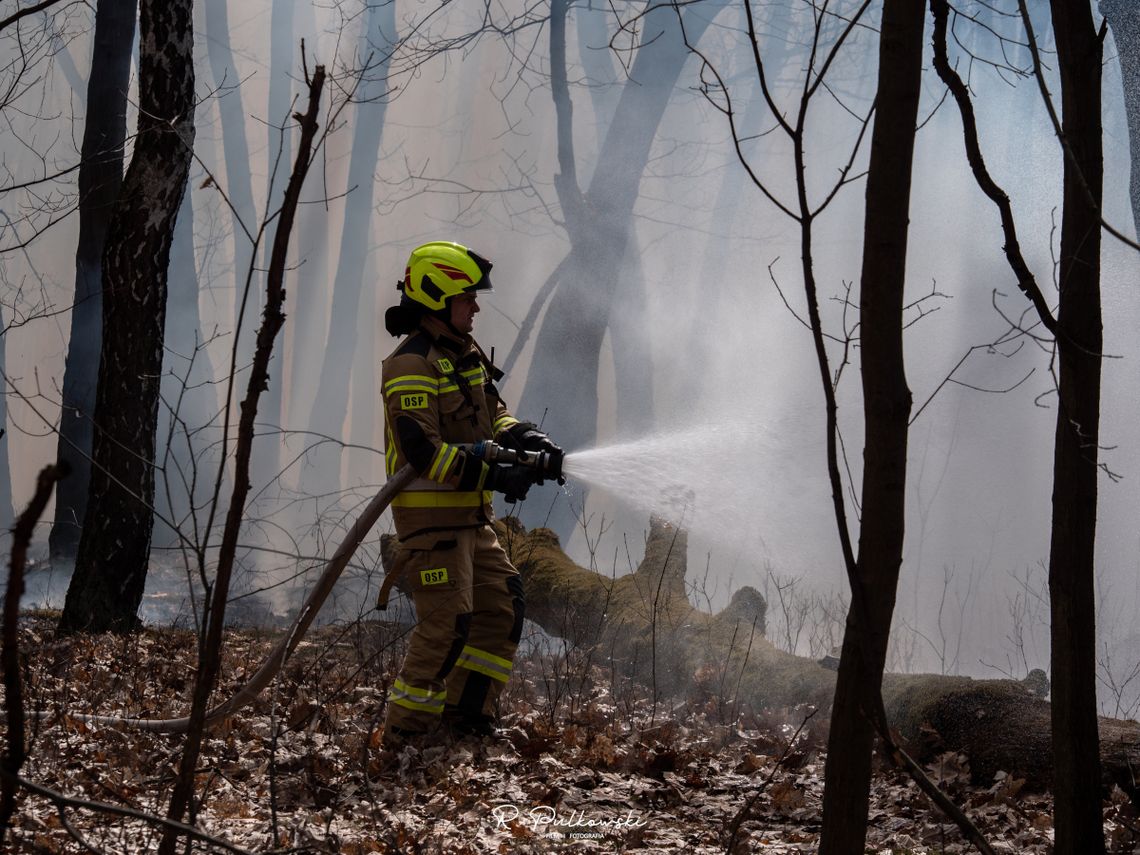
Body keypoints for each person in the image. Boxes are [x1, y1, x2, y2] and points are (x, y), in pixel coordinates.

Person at [377, 240, 561, 747]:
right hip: (431, 522)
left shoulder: (464, 356)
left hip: (470, 519)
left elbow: (490, 414)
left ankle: (465, 719)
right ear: (438, 298)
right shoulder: (409, 365)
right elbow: (426, 455)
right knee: (445, 625)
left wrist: (522, 436)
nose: (476, 307)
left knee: (502, 608)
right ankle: (405, 737)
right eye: (467, 298)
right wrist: (498, 476)